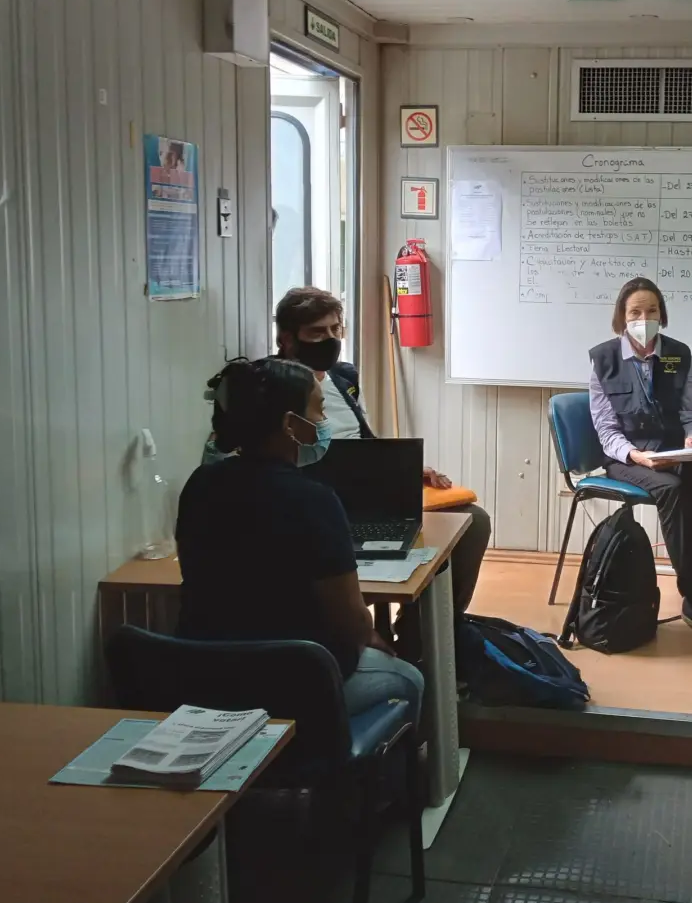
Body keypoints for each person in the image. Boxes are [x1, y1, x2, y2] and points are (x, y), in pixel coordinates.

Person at [175, 356, 423, 717]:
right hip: (293, 684)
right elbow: (352, 623)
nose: (324, 423)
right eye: (319, 411)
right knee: (411, 679)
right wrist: (370, 635)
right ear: (290, 425)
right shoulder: (314, 501)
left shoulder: (200, 484)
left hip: (203, 679)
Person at [272, 287, 492, 623]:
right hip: (316, 501)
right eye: (317, 332)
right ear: (287, 339)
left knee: (473, 520)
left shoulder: (343, 377)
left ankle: (427, 632)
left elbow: (365, 442)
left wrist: (402, 469)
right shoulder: (274, 385)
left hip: (365, 490)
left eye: (335, 329)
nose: (330, 339)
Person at [587, 276, 692, 642]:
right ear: (622, 317)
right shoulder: (603, 360)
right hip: (626, 457)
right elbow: (606, 430)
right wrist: (636, 456)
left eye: (652, 311)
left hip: (673, 451)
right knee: (672, 490)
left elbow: (691, 413)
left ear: (662, 314)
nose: (644, 319)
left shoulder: (678, 354)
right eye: (635, 312)